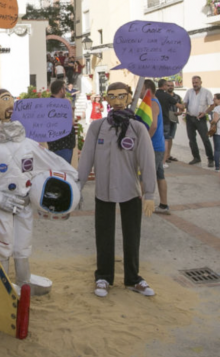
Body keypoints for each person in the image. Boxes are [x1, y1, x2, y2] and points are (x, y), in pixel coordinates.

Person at [0, 89, 78, 294]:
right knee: (1, 244)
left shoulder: (29, 146)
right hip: (1, 207)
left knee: (23, 243)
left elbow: (52, 162)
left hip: (23, 204)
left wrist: (72, 177)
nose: (9, 104)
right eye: (3, 100)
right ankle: (1, 285)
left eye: (10, 99)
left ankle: (24, 278)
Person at [78, 82, 157, 298]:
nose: (117, 100)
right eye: (112, 96)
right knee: (103, 235)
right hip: (103, 191)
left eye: (122, 95)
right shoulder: (98, 127)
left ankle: (133, 278)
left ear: (130, 97)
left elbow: (147, 162)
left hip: (130, 190)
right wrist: (77, 187)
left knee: (132, 235)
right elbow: (86, 159)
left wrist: (149, 193)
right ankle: (103, 276)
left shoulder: (137, 128)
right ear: (107, 99)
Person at [142, 80, 170, 215]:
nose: (139, 93)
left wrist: (144, 141)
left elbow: (153, 125)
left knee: (145, 176)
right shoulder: (154, 101)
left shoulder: (153, 102)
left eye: (140, 89)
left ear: (147, 89)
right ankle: (164, 205)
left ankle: (137, 204)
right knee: (160, 175)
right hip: (158, 145)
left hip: (153, 146)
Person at [183, 76, 215, 167]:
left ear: (201, 82)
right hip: (190, 118)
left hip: (200, 118)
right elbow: (185, 102)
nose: (194, 84)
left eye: (196, 82)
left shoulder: (207, 92)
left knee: (205, 138)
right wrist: (182, 107)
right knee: (191, 139)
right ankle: (196, 157)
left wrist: (205, 113)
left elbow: (212, 105)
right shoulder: (189, 92)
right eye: (193, 83)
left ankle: (210, 159)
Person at [47, 79, 77, 165]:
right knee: (64, 172)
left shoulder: (47, 103)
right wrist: (69, 106)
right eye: (64, 88)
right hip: (64, 144)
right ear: (61, 90)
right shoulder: (63, 104)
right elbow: (71, 122)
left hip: (53, 144)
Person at [155, 79, 178, 165]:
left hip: (156, 119)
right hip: (165, 120)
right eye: (167, 85)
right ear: (164, 86)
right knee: (166, 140)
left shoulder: (155, 94)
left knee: (158, 138)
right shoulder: (167, 96)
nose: (169, 87)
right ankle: (163, 161)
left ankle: (158, 159)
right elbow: (179, 105)